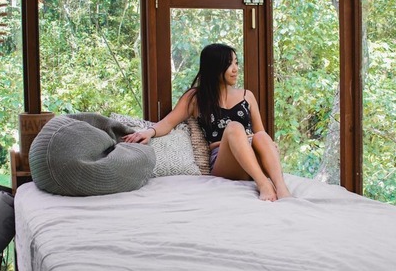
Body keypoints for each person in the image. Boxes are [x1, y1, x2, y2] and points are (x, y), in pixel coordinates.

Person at [123, 43, 292, 201]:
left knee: (262, 136)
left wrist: (270, 145)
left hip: (252, 156)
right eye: (229, 64)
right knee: (234, 127)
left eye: (236, 63)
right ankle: (263, 184)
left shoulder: (247, 96)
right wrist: (149, 132)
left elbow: (260, 133)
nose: (235, 69)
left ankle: (281, 187)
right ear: (214, 67)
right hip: (225, 161)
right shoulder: (196, 98)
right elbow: (167, 123)